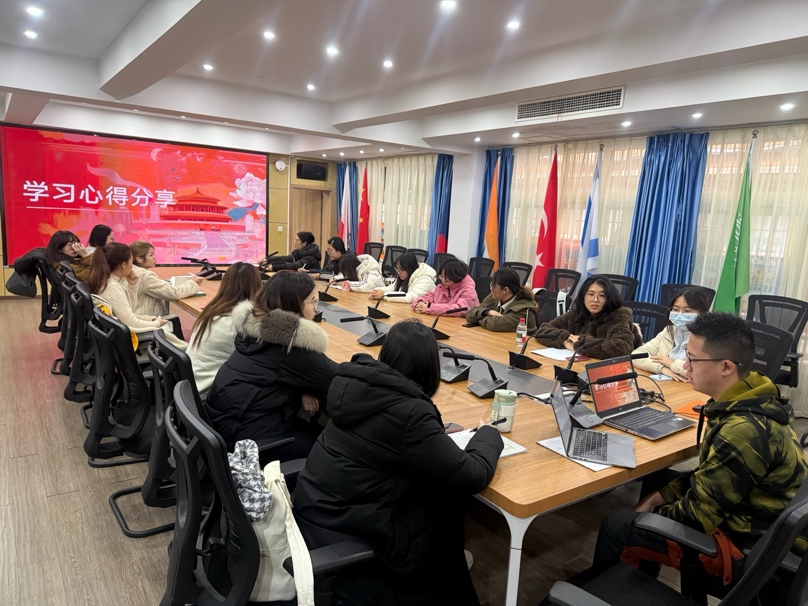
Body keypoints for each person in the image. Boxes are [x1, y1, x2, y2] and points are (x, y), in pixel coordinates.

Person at [294, 319, 504, 605]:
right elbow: (472, 475)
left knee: (434, 490)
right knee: (447, 501)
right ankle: (446, 579)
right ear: (430, 369)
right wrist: (488, 434)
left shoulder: (353, 382)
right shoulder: (410, 412)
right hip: (349, 529)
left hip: (317, 510)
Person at [593, 312, 808, 579]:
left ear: (726, 367)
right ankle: (641, 576)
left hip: (753, 553)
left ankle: (612, 588)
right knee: (657, 483)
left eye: (692, 359)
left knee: (617, 525)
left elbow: (698, 516)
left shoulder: (742, 430)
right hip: (760, 521)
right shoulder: (752, 396)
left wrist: (650, 515)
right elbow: (710, 477)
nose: (685, 366)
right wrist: (657, 497)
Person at [205, 271, 335, 461]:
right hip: (247, 445)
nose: (316, 308)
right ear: (294, 305)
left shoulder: (255, 332)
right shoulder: (291, 347)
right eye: (313, 301)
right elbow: (342, 381)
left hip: (224, 429)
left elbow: (276, 370)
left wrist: (305, 385)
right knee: (335, 450)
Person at [186, 262, 262, 397]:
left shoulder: (211, 312)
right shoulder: (238, 324)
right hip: (209, 395)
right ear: (257, 287)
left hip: (191, 389)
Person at [535, 274, 642, 359]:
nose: (595, 300)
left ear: (609, 298)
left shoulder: (619, 316)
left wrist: (580, 343)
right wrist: (565, 341)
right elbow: (542, 331)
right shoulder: (576, 314)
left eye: (602, 296)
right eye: (591, 294)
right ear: (583, 297)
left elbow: (622, 348)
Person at [88, 242, 180, 339]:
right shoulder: (113, 288)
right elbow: (131, 322)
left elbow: (129, 311)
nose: (132, 266)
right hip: (129, 338)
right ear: (123, 265)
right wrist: (156, 323)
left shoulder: (105, 281)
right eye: (131, 262)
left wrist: (132, 286)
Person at [632, 287, 711, 381]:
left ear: (701, 313)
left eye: (687, 311)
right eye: (675, 309)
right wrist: (662, 369)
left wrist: (672, 363)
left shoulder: (707, 338)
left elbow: (703, 372)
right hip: (666, 382)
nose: (679, 314)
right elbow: (636, 356)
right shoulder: (669, 331)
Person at [127, 241, 204, 317]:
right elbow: (173, 293)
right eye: (151, 255)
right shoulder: (146, 276)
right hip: (149, 320)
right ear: (139, 259)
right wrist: (193, 283)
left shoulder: (130, 271)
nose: (154, 257)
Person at [465, 267, 538, 334]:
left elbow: (494, 324)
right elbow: (470, 314)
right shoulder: (493, 298)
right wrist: (488, 312)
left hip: (519, 342)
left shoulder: (523, 308)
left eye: (493, 285)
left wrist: (479, 319)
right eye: (491, 284)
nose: (491, 288)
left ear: (505, 290)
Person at [411, 259, 479, 317]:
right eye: (441, 276)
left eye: (447, 278)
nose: (443, 280)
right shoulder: (442, 287)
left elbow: (460, 310)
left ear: (456, 277)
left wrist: (429, 308)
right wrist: (419, 303)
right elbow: (429, 296)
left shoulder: (468, 289)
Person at [369, 252, 436, 303]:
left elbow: (412, 297)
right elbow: (392, 288)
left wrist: (384, 295)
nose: (399, 273)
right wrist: (376, 292)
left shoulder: (425, 280)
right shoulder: (406, 276)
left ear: (410, 269)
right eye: (398, 270)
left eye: (401, 270)